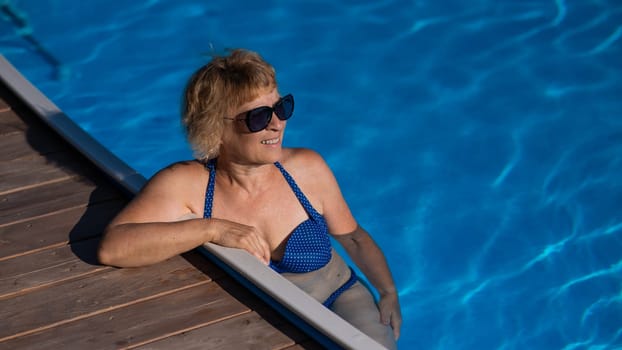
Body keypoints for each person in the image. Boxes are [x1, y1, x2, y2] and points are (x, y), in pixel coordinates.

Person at [97, 48, 401, 349]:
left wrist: (387, 291)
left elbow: (354, 239)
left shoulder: (306, 169)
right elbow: (114, 247)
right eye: (259, 116)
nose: (277, 123)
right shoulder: (188, 184)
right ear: (216, 129)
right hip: (267, 319)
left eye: (281, 107)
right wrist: (212, 228)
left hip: (340, 298)